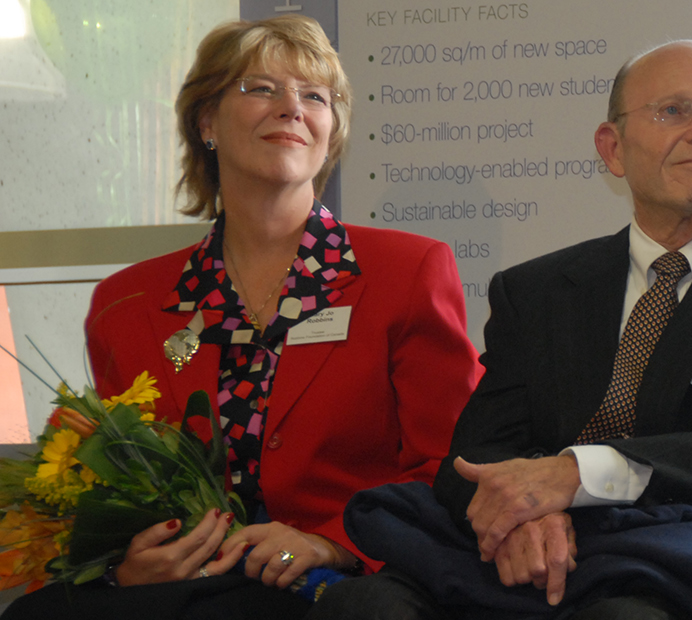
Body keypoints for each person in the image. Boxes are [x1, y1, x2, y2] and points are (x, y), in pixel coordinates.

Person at [325, 40, 692, 620]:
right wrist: (528, 516)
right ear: (612, 149)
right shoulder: (535, 291)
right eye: (675, 110)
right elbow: (478, 453)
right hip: (537, 551)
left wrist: (576, 475)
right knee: (364, 604)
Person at [0, 15, 480, 620]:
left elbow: (452, 462)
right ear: (206, 122)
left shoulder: (406, 270)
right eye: (260, 88)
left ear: (331, 133)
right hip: (195, 580)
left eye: (314, 96)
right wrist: (129, 563)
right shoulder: (128, 304)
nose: (291, 108)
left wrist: (331, 540)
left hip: (343, 582)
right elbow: (120, 484)